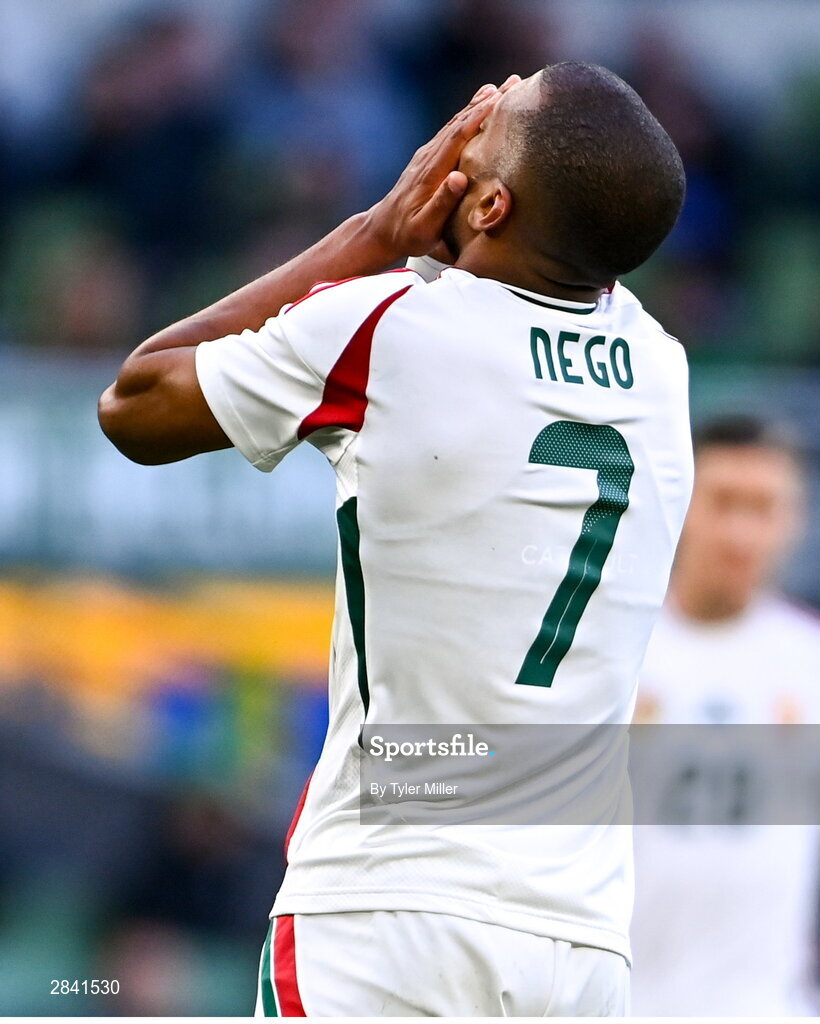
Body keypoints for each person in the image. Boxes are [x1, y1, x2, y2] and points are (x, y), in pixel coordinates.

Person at [99, 63, 691, 1017]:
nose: (473, 115)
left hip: (388, 915)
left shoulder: (385, 326)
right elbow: (591, 228)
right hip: (581, 944)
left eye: (493, 118)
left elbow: (135, 402)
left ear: (489, 203)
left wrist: (373, 233)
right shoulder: (662, 368)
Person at [630, 414, 820, 1016]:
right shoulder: (608, 655)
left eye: (763, 508)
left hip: (769, 1005)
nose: (740, 532)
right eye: (724, 502)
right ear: (682, 505)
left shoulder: (808, 664)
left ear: (795, 521)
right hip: (623, 1002)